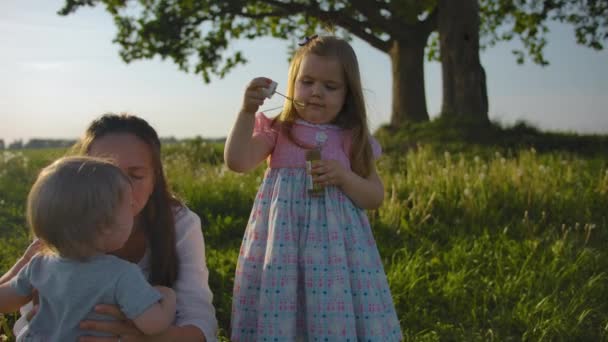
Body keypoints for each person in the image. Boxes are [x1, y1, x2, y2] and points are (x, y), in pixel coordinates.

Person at [224, 35, 402, 341]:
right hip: (282, 244)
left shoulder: (350, 137)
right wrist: (245, 112)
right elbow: (238, 161)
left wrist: (345, 177)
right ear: (292, 84)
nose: (316, 92)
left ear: (348, 94)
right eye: (307, 82)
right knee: (283, 300)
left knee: (331, 306)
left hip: (337, 254)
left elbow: (374, 196)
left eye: (330, 86)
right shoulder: (280, 130)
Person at [3, 113, 218, 341]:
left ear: (156, 179)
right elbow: (30, 313)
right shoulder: (63, 221)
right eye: (103, 176)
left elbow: (199, 321)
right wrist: (167, 298)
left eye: (135, 175)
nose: (120, 189)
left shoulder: (180, 223)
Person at [0, 156, 177, 341]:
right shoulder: (122, 274)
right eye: (128, 205)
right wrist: (168, 298)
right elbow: (153, 325)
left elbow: (4, 301)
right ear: (105, 225)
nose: (133, 208)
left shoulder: (39, 264)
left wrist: (21, 263)